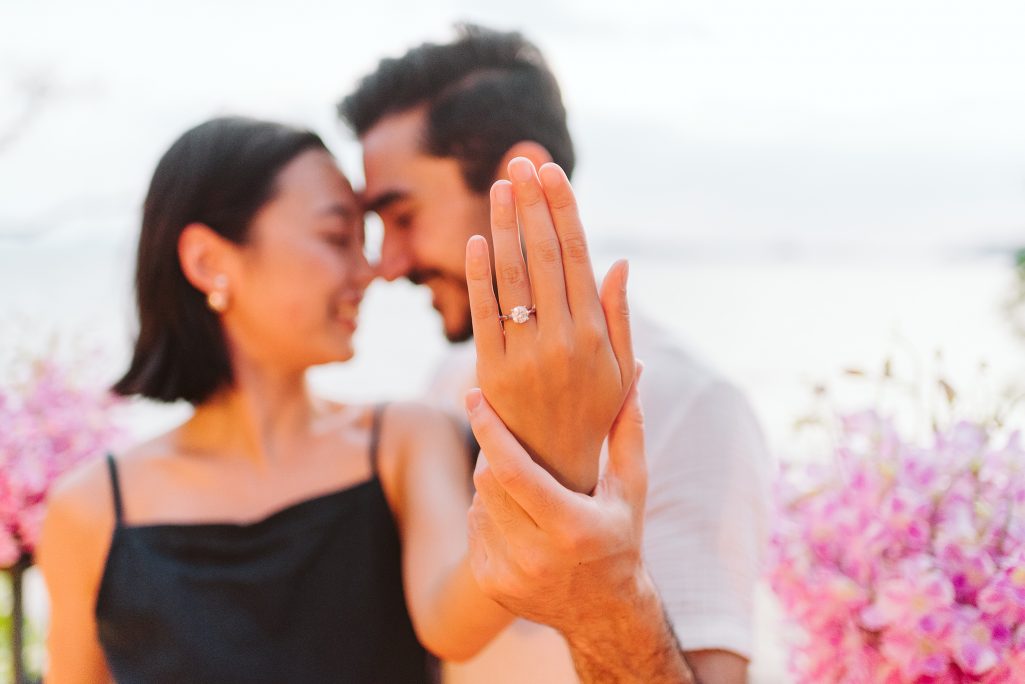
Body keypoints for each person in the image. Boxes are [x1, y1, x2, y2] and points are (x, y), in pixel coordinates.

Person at [36, 117, 634, 683]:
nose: (369, 270)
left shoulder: (404, 441)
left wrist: (553, 451)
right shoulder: (90, 512)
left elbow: (455, 622)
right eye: (335, 238)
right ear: (208, 261)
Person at [339, 24, 772, 682]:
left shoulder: (692, 405)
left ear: (518, 182)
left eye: (402, 216)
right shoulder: (447, 382)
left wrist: (602, 583)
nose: (388, 263)